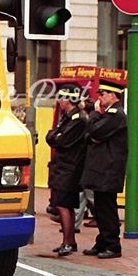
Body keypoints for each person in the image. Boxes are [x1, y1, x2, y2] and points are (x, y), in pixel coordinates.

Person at [80, 80, 127, 260]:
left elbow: (94, 132)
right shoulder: (108, 114)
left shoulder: (115, 114)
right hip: (103, 169)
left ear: (113, 95)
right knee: (100, 208)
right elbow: (90, 136)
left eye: (103, 94)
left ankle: (113, 245)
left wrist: (93, 113)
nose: (99, 97)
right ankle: (102, 241)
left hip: (109, 170)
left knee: (107, 209)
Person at [45, 86, 87, 257]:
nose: (59, 102)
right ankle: (68, 241)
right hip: (63, 167)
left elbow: (62, 141)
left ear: (67, 100)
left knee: (64, 205)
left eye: (61, 98)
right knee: (62, 205)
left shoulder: (78, 119)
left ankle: (68, 242)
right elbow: (52, 136)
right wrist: (55, 136)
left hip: (69, 168)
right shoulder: (68, 117)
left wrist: (56, 137)